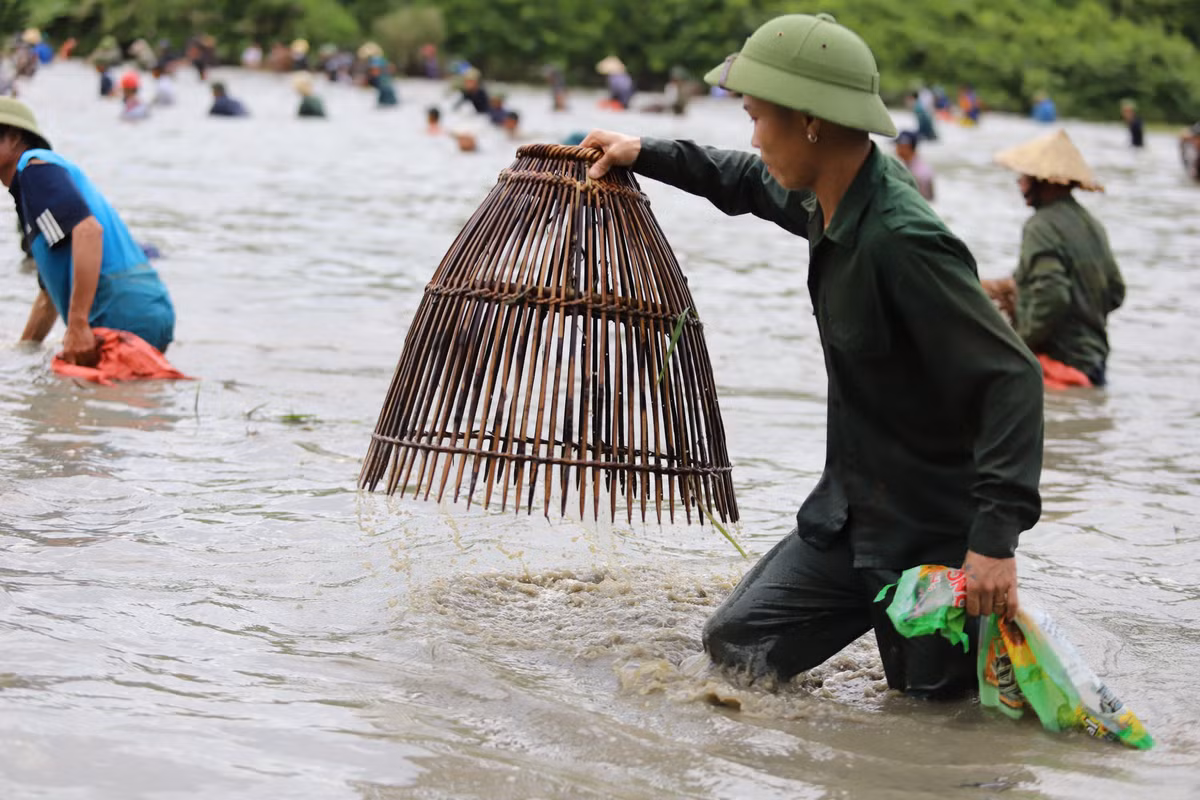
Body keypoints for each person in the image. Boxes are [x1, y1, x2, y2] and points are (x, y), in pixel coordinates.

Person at [582, 13, 1043, 699]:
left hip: (927, 541)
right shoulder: (827, 199)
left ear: (811, 123)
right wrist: (642, 151)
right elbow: (742, 179)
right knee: (737, 647)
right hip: (848, 517)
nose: (753, 134)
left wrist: (994, 544)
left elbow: (1013, 377)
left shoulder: (901, 238)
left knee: (937, 718)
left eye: (759, 117)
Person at [0, 98, 176, 360]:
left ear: (14, 138)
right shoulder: (32, 190)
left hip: (120, 310)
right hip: (139, 307)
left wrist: (78, 323)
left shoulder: (34, 168)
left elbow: (89, 231)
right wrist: (21, 352)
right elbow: (48, 297)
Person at [990, 130, 1125, 387]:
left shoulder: (1040, 226)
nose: (1019, 183)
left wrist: (1017, 344)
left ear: (1045, 182)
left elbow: (1052, 296)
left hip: (1060, 362)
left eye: (1025, 177)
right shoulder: (1092, 224)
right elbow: (1116, 292)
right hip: (1094, 360)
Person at [893, 130, 934, 201]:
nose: (895, 149)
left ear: (905, 146)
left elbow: (922, 200)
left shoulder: (919, 172)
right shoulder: (910, 165)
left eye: (897, 145)